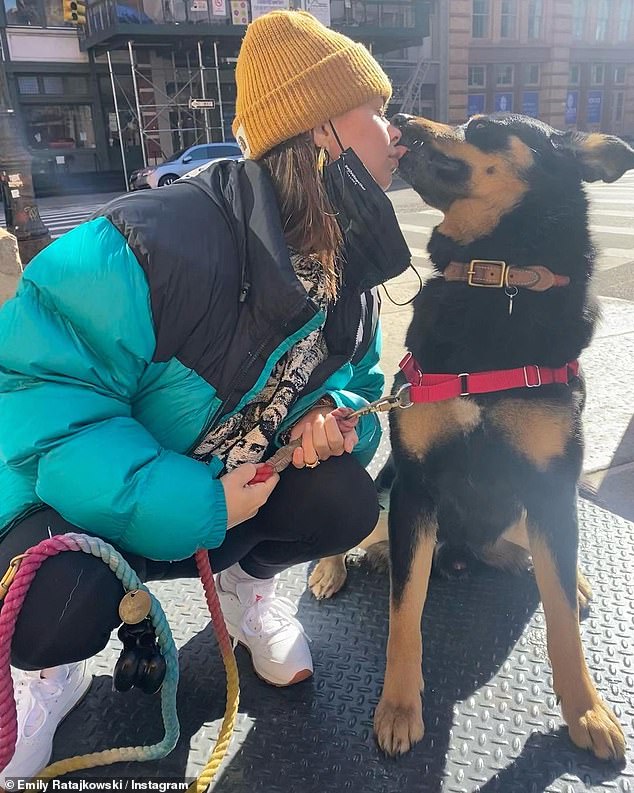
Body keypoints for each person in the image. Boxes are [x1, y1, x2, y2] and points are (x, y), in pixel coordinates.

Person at [0, 9, 409, 780]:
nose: (398, 133)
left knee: (347, 501)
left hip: (223, 500)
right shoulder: (151, 240)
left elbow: (360, 387)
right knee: (47, 606)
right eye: (378, 110)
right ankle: (51, 675)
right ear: (322, 131)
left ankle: (249, 590)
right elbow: (42, 397)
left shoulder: (352, 263)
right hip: (78, 506)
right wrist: (203, 502)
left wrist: (336, 422)